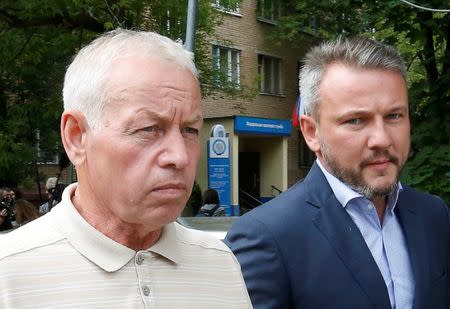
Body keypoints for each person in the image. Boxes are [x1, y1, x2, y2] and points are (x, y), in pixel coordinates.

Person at [0, 29, 251, 308]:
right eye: (148, 129)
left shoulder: (220, 263)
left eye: (190, 130)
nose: (179, 156)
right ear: (76, 136)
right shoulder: (9, 274)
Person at [225, 37, 450, 309]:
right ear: (311, 132)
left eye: (394, 116)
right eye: (356, 120)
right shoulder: (265, 236)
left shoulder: (433, 214)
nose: (381, 138)